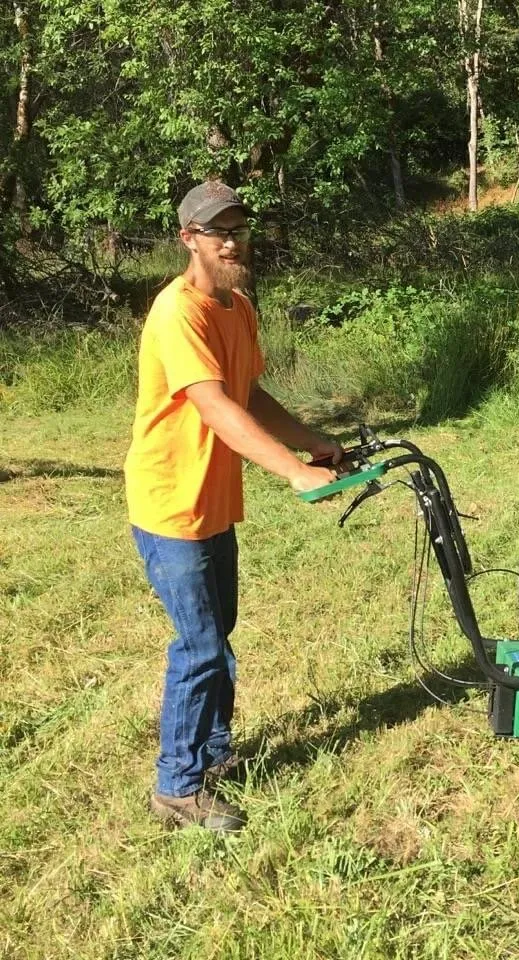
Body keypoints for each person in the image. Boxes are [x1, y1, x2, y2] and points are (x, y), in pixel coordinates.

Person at [123, 181, 340, 833]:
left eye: (239, 227)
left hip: (213, 500)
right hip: (170, 506)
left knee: (220, 636)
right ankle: (177, 788)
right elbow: (213, 406)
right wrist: (292, 472)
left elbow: (247, 393)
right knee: (200, 647)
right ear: (188, 239)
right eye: (216, 230)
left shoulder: (238, 308)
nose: (231, 239)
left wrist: (316, 443)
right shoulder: (178, 312)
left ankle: (214, 757)